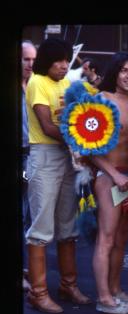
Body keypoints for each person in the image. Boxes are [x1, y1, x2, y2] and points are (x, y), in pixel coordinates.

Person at [25, 38, 91, 314]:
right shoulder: (37, 82)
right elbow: (47, 125)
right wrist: (80, 136)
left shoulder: (67, 83)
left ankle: (68, 284)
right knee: (41, 228)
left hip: (68, 157)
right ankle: (38, 294)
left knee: (68, 225)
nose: (64, 65)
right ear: (46, 61)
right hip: (45, 155)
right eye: (58, 60)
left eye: (67, 60)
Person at [89, 52, 128, 314]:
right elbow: (88, 148)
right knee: (107, 238)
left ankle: (116, 289)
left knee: (122, 239)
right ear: (114, 73)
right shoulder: (102, 100)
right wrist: (114, 174)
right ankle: (103, 298)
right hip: (108, 176)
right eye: (123, 70)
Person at [21, 40, 37, 292]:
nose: (31, 64)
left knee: (27, 218)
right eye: (26, 59)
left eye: (34, 59)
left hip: (33, 157)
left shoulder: (34, 86)